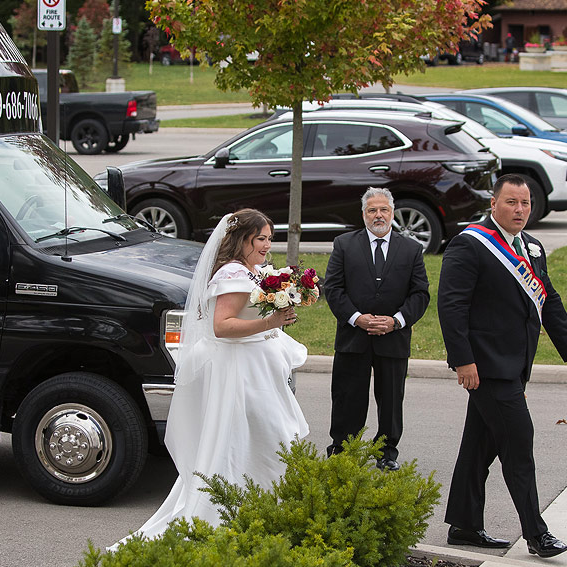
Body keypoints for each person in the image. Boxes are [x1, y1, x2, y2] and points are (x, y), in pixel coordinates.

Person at [129, 209, 309, 540]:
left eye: (270, 239)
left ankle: (267, 514)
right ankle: (238, 515)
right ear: (243, 239)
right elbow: (222, 326)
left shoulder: (252, 271)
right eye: (261, 239)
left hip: (257, 370)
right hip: (240, 374)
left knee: (269, 437)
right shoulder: (232, 275)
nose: (267, 245)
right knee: (254, 438)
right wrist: (270, 322)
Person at [437, 174, 567, 558]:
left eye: (525, 203)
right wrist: (463, 361)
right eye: (511, 202)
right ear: (493, 203)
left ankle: (465, 526)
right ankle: (537, 534)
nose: (519, 210)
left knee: (479, 447)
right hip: (486, 368)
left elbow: (548, 300)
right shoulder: (469, 245)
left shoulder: (532, 247)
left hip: (516, 365)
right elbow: (451, 307)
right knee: (519, 444)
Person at [322, 188, 430, 471]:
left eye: (383, 210)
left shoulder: (411, 249)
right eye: (372, 210)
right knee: (347, 397)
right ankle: (343, 450)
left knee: (392, 400)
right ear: (363, 214)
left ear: (392, 213)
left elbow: (420, 294)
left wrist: (395, 321)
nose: (378, 215)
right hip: (353, 338)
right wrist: (356, 318)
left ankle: (387, 452)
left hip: (393, 339)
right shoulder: (344, 245)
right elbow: (333, 289)